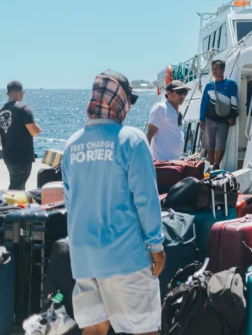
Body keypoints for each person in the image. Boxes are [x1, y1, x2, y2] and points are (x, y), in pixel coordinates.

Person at [61, 71, 165, 335]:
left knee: (94, 329)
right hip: (125, 256)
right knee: (143, 330)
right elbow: (146, 199)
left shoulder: (71, 145)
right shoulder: (131, 140)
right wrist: (156, 245)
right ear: (119, 102)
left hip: (84, 258)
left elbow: (71, 204)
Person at [0, 81, 42, 190]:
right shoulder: (23, 109)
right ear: (21, 93)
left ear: (8, 94)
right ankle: (8, 206)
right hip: (22, 158)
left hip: (8, 157)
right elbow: (33, 131)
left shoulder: (2, 110)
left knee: (17, 185)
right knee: (16, 189)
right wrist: (38, 129)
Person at [200, 59, 239, 169]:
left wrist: (232, 116)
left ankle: (217, 165)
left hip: (223, 120)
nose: (214, 71)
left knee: (220, 143)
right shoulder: (209, 86)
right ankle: (211, 165)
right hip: (209, 119)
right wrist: (201, 119)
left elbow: (234, 101)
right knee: (209, 143)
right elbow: (204, 103)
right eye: (213, 69)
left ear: (223, 70)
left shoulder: (231, 84)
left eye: (217, 69)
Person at [146, 80, 189, 161]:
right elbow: (149, 135)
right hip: (162, 161)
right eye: (180, 92)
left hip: (175, 160)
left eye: (185, 92)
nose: (183, 96)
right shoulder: (161, 108)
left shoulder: (178, 112)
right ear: (168, 93)